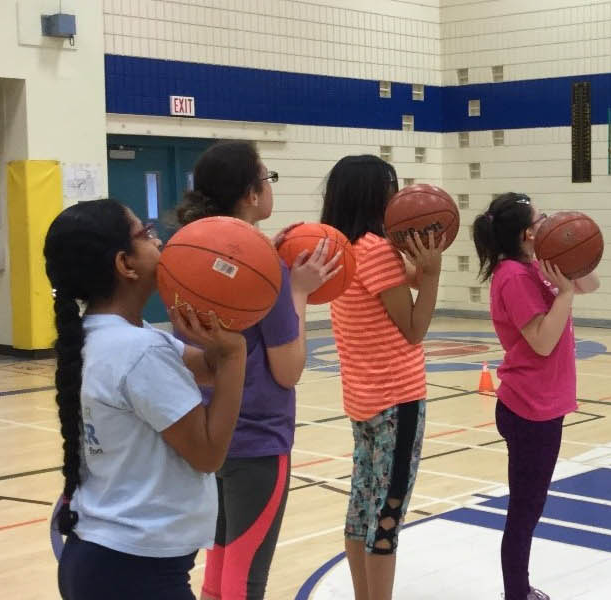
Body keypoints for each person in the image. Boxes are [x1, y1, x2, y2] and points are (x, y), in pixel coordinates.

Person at [45, 198, 247, 600]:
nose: (160, 241)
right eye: (147, 234)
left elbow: (207, 369)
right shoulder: (138, 351)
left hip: (107, 561)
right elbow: (208, 454)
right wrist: (236, 352)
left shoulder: (107, 336)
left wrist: (217, 314)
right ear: (126, 264)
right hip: (133, 572)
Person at [175, 141, 339, 600]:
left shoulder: (185, 250)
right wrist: (300, 293)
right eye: (267, 179)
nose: (269, 188)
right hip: (257, 439)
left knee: (217, 570)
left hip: (204, 432)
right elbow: (288, 371)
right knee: (244, 580)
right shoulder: (265, 267)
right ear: (250, 193)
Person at [319, 155, 443, 600]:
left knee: (361, 512)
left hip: (363, 401)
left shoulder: (342, 249)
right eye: (391, 188)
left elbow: (400, 275)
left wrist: (417, 260)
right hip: (398, 400)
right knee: (387, 519)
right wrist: (432, 277)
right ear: (374, 195)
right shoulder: (375, 250)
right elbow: (414, 329)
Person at [470, 192, 599, 600]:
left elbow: (591, 283)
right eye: (542, 218)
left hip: (545, 406)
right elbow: (542, 341)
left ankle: (519, 590)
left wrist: (574, 256)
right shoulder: (513, 276)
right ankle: (516, 594)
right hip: (529, 410)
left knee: (529, 508)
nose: (548, 221)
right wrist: (563, 295)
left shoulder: (536, 265)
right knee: (524, 513)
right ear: (527, 231)